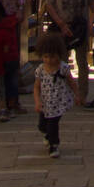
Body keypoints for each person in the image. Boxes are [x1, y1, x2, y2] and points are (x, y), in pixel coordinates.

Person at [45, 0, 94, 107]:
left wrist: (91, 23)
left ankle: (82, 95)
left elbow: (91, 2)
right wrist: (60, 23)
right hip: (62, 24)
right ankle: (65, 92)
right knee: (62, 61)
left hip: (80, 25)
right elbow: (49, 4)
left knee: (82, 61)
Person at [34, 30, 79, 159]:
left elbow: (72, 83)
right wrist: (37, 101)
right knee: (42, 126)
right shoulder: (40, 70)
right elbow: (36, 88)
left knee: (53, 124)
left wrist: (77, 95)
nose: (49, 60)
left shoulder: (63, 68)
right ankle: (47, 135)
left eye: (52, 56)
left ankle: (54, 145)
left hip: (59, 102)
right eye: (46, 57)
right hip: (45, 102)